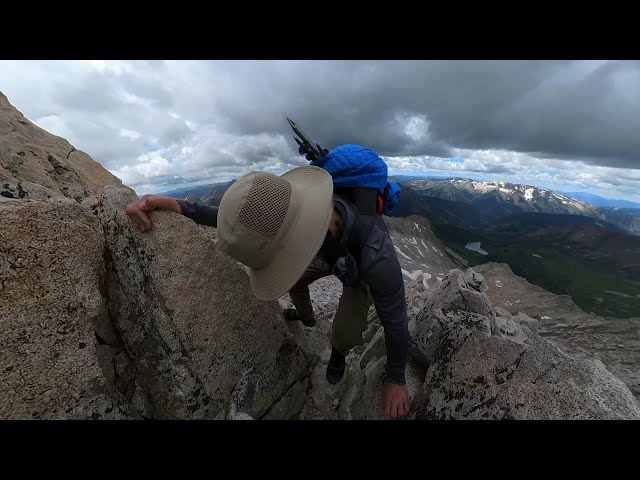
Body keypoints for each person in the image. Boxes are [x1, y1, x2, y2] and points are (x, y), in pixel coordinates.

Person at [126, 165, 410, 420]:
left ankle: (337, 351)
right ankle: (307, 318)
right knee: (296, 281)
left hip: (357, 273)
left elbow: (395, 318)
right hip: (327, 249)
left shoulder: (376, 254)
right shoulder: (285, 212)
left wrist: (396, 378)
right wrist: (169, 204)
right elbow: (238, 223)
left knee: (346, 330)